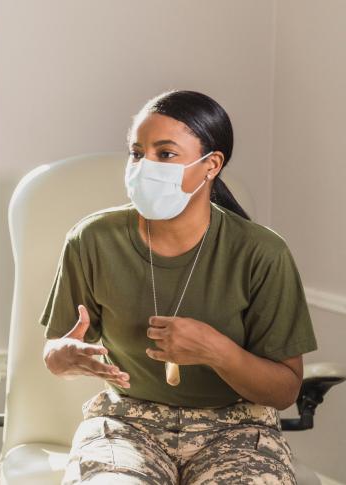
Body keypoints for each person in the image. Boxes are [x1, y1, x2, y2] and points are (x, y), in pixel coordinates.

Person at [40, 90, 317, 484]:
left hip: (235, 428)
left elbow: (285, 390)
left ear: (211, 165)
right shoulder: (92, 240)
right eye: (137, 153)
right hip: (127, 424)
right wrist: (64, 356)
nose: (144, 165)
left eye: (165, 154)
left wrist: (216, 350)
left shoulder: (262, 253)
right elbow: (53, 354)